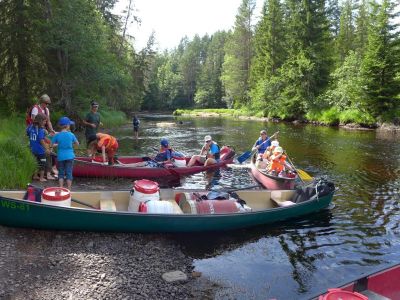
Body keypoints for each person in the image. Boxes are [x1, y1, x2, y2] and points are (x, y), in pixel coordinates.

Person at [51, 117, 79, 190]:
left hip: (60, 156)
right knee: (69, 172)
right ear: (67, 126)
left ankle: (61, 188)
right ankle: (69, 189)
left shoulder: (57, 135)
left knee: (61, 173)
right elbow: (77, 144)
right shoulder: (71, 134)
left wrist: (58, 144)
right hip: (70, 156)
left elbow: (51, 145)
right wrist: (71, 144)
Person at [26, 113, 50, 182]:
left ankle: (35, 175)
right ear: (41, 121)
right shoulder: (41, 130)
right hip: (40, 151)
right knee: (42, 164)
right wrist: (46, 148)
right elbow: (41, 140)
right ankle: (41, 178)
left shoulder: (31, 127)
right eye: (45, 121)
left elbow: (27, 133)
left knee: (35, 163)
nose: (45, 123)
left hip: (33, 149)